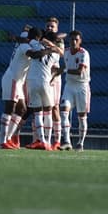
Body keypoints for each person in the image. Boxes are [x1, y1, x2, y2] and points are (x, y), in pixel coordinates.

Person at [24, 28, 60, 150]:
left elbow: (29, 41)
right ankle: (48, 142)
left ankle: (41, 140)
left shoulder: (35, 44)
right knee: (48, 112)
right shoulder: (55, 53)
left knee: (37, 113)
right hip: (46, 82)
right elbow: (56, 69)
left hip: (33, 81)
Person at [0, 25, 32, 149]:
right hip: (12, 78)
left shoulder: (25, 41)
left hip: (18, 80)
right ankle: (2, 141)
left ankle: (8, 138)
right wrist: (48, 50)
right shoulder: (25, 45)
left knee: (21, 108)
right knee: (9, 108)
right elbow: (33, 53)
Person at [58, 30, 90, 151]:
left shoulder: (84, 54)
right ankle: (66, 141)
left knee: (82, 117)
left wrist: (63, 70)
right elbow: (62, 64)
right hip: (69, 86)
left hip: (82, 86)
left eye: (76, 39)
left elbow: (79, 71)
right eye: (72, 39)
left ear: (80, 41)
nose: (74, 42)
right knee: (63, 111)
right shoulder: (66, 52)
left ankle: (80, 143)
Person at [44, 17, 66, 150]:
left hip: (54, 77)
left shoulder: (59, 41)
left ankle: (57, 140)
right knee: (42, 107)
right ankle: (42, 139)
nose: (49, 28)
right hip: (42, 76)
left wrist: (50, 44)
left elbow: (61, 53)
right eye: (48, 26)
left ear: (56, 29)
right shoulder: (40, 38)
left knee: (55, 108)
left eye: (52, 26)